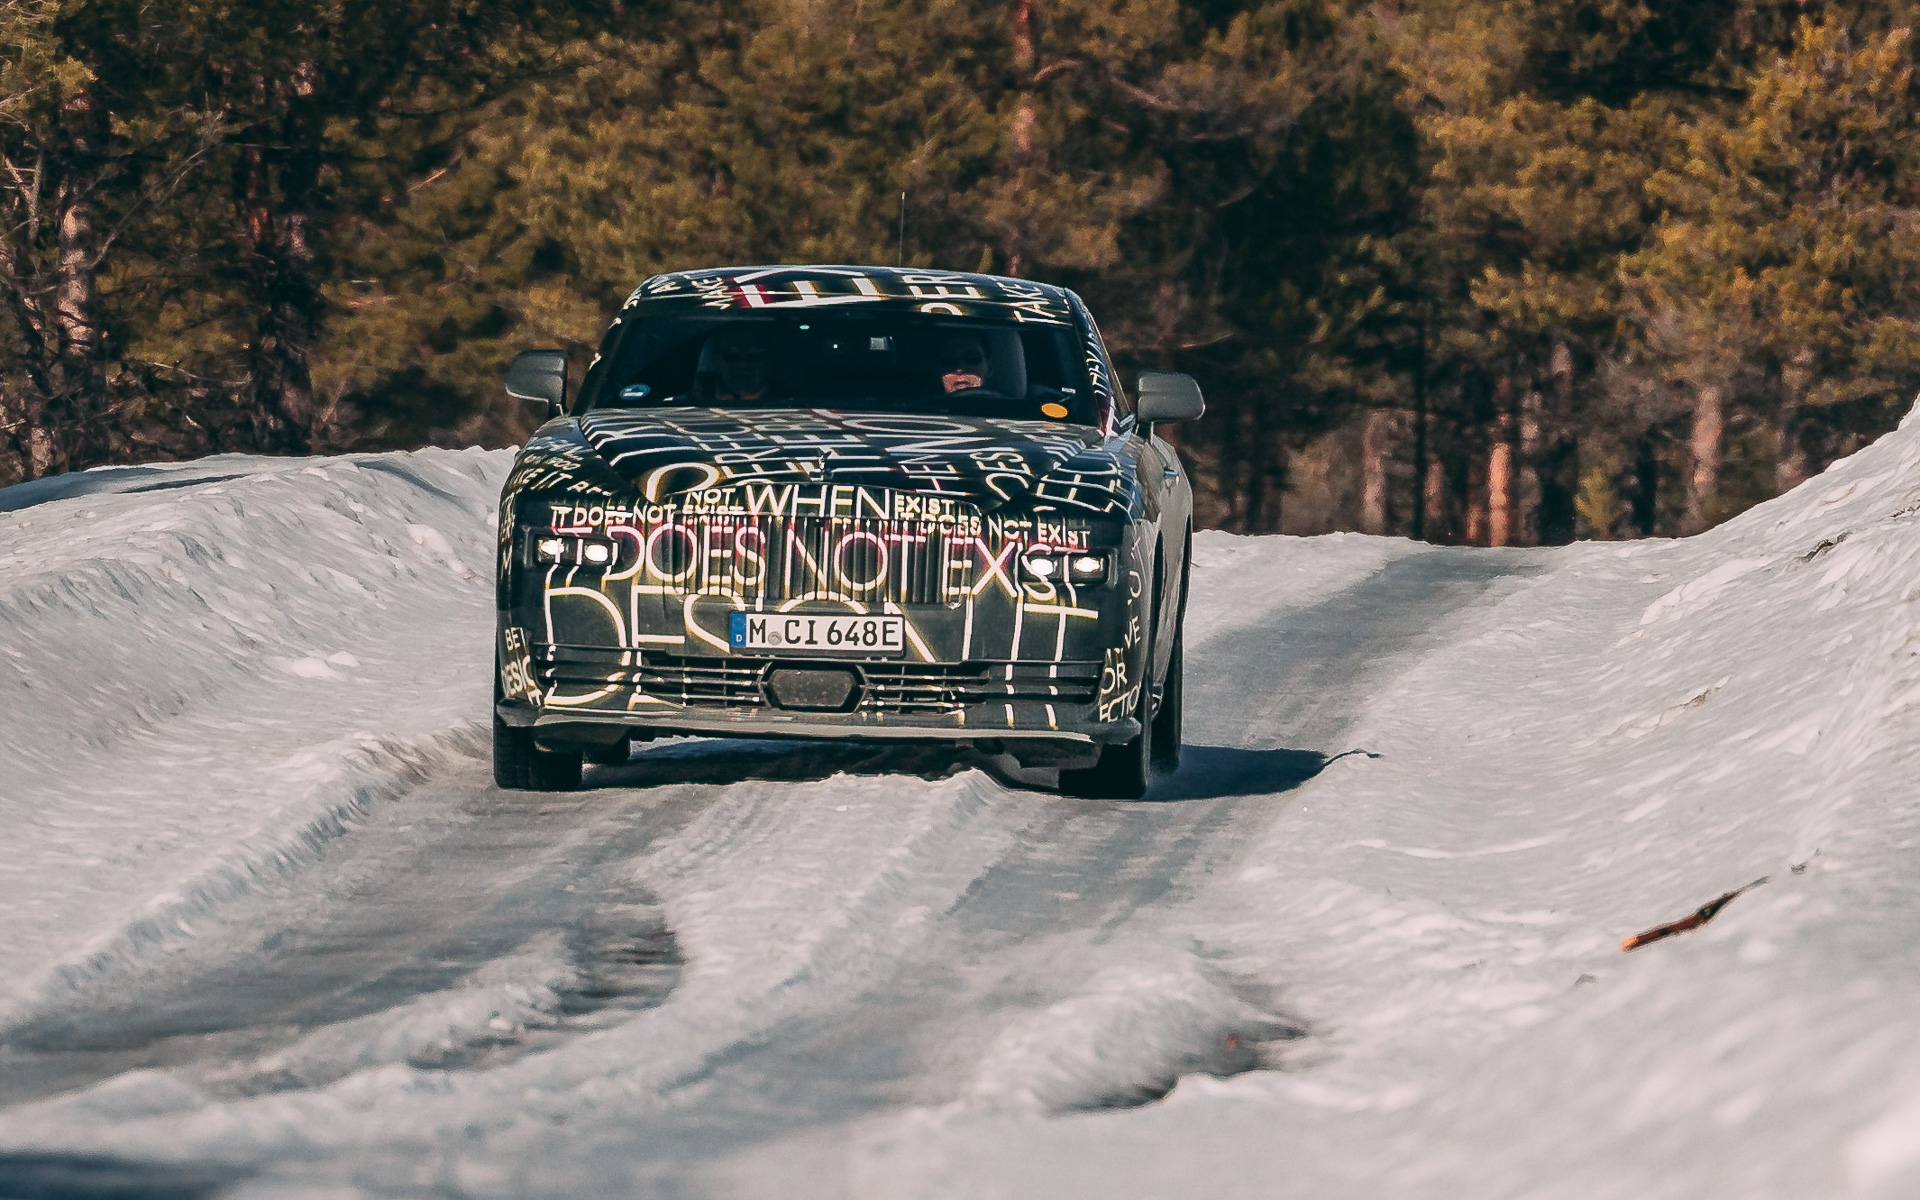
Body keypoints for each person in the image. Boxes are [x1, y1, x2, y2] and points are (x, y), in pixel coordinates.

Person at [699, 325, 773, 402]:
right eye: (731, 353)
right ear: (717, 359)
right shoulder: (695, 402)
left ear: (769, 360)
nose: (742, 364)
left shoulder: (785, 405)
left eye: (754, 353)